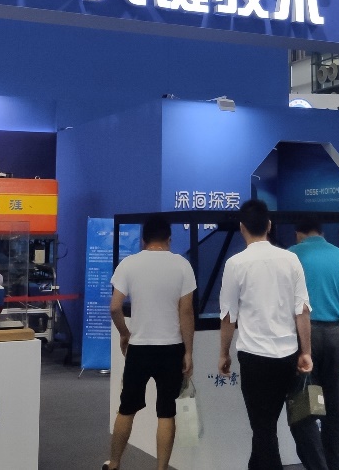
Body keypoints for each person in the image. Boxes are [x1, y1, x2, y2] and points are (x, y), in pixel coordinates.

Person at [219, 199, 313, 470]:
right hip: (287, 355)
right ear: (269, 225)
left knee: (263, 428)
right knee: (265, 424)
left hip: (254, 358)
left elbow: (228, 316)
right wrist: (306, 351)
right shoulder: (291, 259)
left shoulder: (235, 264)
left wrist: (223, 353)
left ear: (242, 227)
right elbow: (302, 310)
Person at [106, 214, 197, 470]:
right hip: (171, 349)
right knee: (166, 412)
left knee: (126, 408)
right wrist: (188, 352)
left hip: (139, 348)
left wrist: (125, 333)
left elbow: (114, 307)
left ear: (143, 240)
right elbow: (186, 312)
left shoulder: (129, 264)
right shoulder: (182, 265)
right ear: (169, 239)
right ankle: (161, 468)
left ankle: (114, 463)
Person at [291, 216, 339, 470]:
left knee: (305, 405)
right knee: (334, 406)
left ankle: (316, 465)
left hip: (306, 334)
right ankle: (335, 464)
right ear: (321, 232)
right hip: (335, 333)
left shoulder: (292, 255)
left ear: (298, 233)